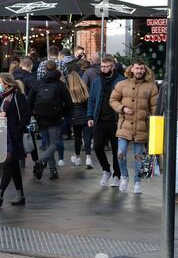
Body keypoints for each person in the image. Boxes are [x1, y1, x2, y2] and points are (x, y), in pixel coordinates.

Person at [110, 60, 158, 194]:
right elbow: (113, 100)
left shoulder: (151, 87)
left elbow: (155, 108)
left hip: (142, 126)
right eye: (137, 68)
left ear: (145, 70)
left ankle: (137, 181)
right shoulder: (121, 84)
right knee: (121, 153)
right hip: (124, 125)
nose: (139, 71)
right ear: (132, 69)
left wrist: (154, 125)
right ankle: (124, 176)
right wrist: (122, 108)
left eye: (141, 69)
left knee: (139, 156)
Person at [0, 73, 30, 207]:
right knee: (13, 166)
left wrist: (18, 129)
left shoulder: (18, 96)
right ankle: (20, 195)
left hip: (14, 136)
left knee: (7, 163)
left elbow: (26, 115)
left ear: (6, 84)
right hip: (1, 135)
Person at [29, 61, 73, 180]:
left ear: (45, 70)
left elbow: (29, 100)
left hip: (41, 117)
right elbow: (69, 102)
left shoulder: (38, 83)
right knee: (55, 143)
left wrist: (34, 113)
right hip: (55, 117)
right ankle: (42, 161)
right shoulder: (60, 84)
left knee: (49, 144)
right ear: (56, 69)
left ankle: (53, 172)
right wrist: (63, 113)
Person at [87, 55, 125, 187]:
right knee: (97, 146)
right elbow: (92, 99)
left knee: (116, 150)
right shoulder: (97, 80)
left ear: (112, 66)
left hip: (116, 120)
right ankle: (106, 169)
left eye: (106, 66)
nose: (103, 69)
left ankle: (117, 174)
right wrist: (90, 116)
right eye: (101, 66)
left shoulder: (121, 81)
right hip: (100, 119)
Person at [68, 71, 93, 169]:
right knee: (87, 138)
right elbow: (89, 103)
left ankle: (77, 157)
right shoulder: (85, 88)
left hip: (75, 118)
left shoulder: (69, 90)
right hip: (86, 116)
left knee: (77, 138)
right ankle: (88, 158)